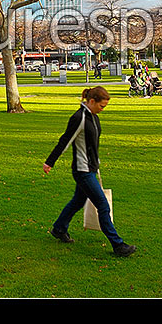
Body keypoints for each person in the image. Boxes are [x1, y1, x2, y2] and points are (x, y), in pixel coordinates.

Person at [42, 86, 137, 257]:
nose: (103, 110)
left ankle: (59, 228)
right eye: (101, 106)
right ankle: (118, 245)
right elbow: (65, 141)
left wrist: (96, 164)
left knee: (78, 201)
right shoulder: (79, 118)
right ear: (91, 101)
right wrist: (50, 162)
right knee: (102, 204)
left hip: (91, 169)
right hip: (82, 170)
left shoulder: (94, 117)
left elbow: (92, 145)